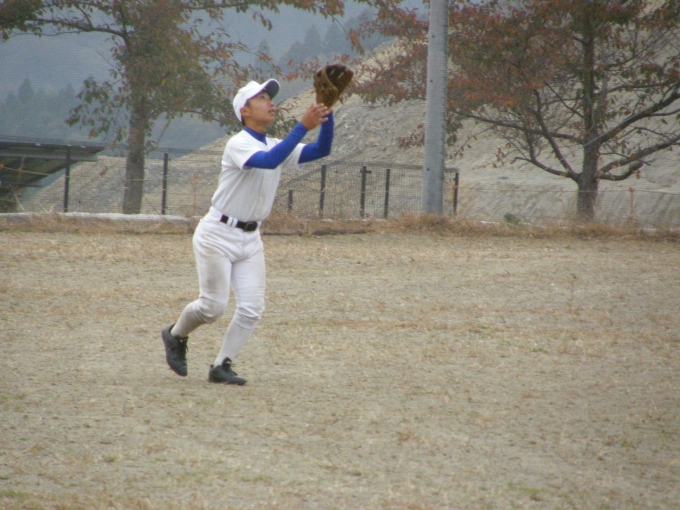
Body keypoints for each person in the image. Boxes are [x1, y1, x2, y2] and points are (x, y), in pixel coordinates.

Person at [161, 78, 333, 385]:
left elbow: (322, 150)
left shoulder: (275, 143)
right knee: (212, 308)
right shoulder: (238, 143)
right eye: (262, 98)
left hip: (251, 238)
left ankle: (221, 366)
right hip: (217, 234)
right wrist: (302, 127)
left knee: (252, 308)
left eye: (270, 97)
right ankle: (175, 335)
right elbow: (268, 162)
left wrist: (327, 114)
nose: (270, 102)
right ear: (245, 110)